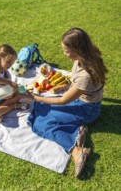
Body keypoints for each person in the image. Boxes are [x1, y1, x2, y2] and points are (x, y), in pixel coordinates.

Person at [22, 27, 108, 178]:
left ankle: (76, 150)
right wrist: (64, 86)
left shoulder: (86, 74)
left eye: (66, 51)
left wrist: (33, 98)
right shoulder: (85, 57)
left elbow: (63, 100)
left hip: (87, 109)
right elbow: (81, 87)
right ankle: (78, 130)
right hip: (82, 102)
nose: (64, 54)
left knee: (41, 124)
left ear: (77, 49)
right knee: (42, 107)